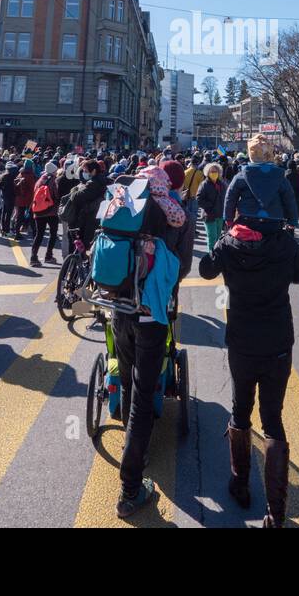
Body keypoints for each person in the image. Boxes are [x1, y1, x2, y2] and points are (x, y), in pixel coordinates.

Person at [199, 197, 299, 527]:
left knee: (240, 410)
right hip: (277, 342)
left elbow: (205, 270)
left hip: (242, 342)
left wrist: (221, 239)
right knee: (273, 418)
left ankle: (240, 484)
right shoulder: (285, 241)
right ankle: (276, 511)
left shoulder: (230, 243)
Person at [112, 167, 186, 519]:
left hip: (118, 307)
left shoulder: (123, 202)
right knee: (144, 393)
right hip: (151, 312)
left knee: (128, 382)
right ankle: (130, 487)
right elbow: (183, 264)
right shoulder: (168, 209)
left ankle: (133, 444)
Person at [223, 135, 299, 232]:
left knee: (246, 245)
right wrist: (292, 220)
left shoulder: (242, 175)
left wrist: (228, 217)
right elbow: (289, 198)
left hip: (247, 217)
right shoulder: (279, 175)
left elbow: (230, 196)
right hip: (274, 218)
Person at [29, 161, 61, 265]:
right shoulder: (53, 180)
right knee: (53, 234)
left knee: (39, 234)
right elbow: (56, 195)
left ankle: (33, 257)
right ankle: (48, 256)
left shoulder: (40, 180)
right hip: (51, 211)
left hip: (38, 211)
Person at [198, 162, 226, 251]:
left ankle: (216, 257)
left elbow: (226, 197)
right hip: (209, 215)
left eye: (215, 171)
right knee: (212, 238)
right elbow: (199, 199)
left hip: (220, 215)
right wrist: (210, 206)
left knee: (218, 238)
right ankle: (211, 258)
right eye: (212, 171)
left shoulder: (222, 184)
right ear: (207, 173)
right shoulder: (204, 184)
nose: (214, 173)